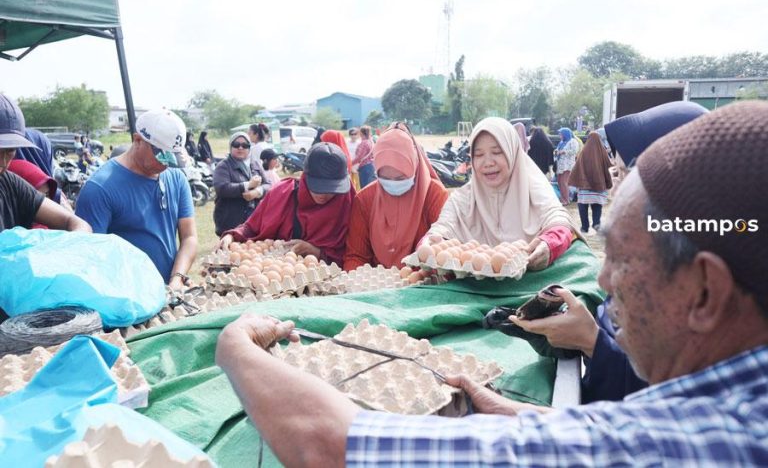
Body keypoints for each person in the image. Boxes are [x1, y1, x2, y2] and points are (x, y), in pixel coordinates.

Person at [216, 101, 768, 466]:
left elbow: (335, 444)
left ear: (703, 293)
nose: (602, 280)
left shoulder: (694, 445)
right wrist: (522, 412)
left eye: (622, 262)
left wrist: (238, 351)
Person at [512, 101, 710, 403]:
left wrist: (592, 342)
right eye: (615, 174)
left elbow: (667, 401)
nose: (616, 190)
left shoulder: (697, 274)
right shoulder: (653, 244)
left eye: (622, 174)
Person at [425, 118, 578, 271]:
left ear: (512, 152)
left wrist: (550, 244)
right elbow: (443, 227)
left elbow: (558, 220)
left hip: (529, 283)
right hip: (474, 287)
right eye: (479, 155)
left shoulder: (534, 187)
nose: (488, 162)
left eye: (497, 152)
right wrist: (429, 243)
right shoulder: (463, 198)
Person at [75, 109, 197, 289]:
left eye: (171, 158)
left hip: (168, 291)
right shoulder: (100, 189)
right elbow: (90, 258)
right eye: (161, 156)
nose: (165, 165)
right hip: (126, 297)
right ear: (138, 140)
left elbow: (189, 237)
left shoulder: (176, 178)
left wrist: (177, 278)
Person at [217, 143, 355, 266]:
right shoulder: (283, 195)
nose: (323, 194)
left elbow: (357, 255)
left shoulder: (347, 203)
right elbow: (251, 227)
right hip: (275, 282)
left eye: (331, 189)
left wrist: (318, 253)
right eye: (317, 186)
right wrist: (232, 236)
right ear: (304, 177)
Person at [343, 122, 449, 270]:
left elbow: (445, 253)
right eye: (385, 178)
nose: (393, 184)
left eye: (400, 178)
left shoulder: (434, 195)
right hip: (377, 287)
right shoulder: (365, 199)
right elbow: (356, 255)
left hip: (424, 284)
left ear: (415, 165)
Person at [0, 93, 91, 233]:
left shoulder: (9, 184)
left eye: (10, 150)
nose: (3, 162)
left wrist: (71, 245)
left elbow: (75, 222)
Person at [212, 133, 272, 237]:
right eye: (236, 144)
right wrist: (247, 185)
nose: (240, 148)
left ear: (249, 148)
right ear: (231, 147)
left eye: (245, 145)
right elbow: (221, 188)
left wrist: (257, 192)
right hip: (230, 220)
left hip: (253, 219)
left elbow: (268, 185)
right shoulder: (223, 166)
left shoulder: (254, 164)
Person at [569, 131, 613, 233]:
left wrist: (576, 180)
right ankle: (596, 224)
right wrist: (607, 182)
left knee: (582, 206)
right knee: (597, 205)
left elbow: (577, 167)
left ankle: (584, 227)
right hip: (598, 186)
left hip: (584, 187)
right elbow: (608, 166)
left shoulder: (583, 152)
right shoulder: (603, 152)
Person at [554, 127, 579, 205]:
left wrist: (563, 152)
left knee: (564, 182)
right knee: (559, 181)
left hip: (567, 165)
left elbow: (574, 151)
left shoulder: (573, 141)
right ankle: (563, 198)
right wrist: (556, 151)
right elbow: (557, 149)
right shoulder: (562, 142)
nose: (560, 136)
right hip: (560, 164)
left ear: (565, 134)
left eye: (561, 134)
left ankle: (566, 199)